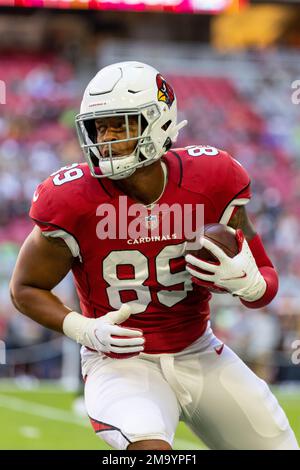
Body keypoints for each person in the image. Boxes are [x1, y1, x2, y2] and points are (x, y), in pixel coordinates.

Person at [10, 61, 298, 450]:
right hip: (120, 362)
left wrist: (248, 282)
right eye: (99, 126)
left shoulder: (212, 178)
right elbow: (25, 286)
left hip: (199, 350)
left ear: (158, 122)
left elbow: (264, 286)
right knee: (149, 450)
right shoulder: (71, 198)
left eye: (120, 124)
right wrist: (83, 328)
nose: (104, 137)